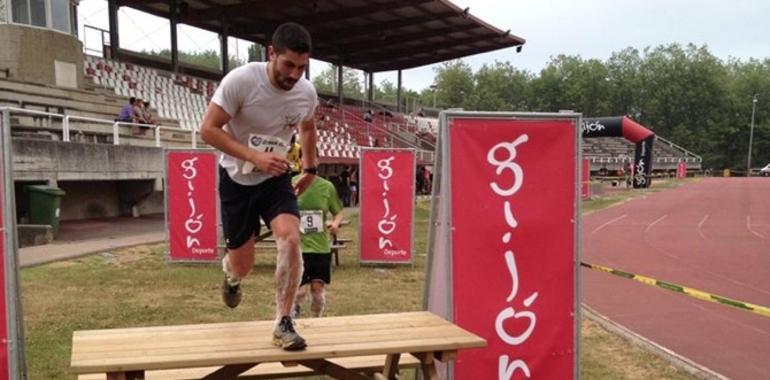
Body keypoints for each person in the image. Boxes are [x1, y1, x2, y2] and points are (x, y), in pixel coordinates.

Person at [199, 22, 318, 351]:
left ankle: (284, 321)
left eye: (301, 67)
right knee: (244, 265)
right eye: (288, 65)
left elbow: (308, 128)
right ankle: (231, 276)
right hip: (236, 179)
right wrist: (253, 156)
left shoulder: (306, 92)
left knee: (290, 237)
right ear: (271, 54)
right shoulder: (241, 81)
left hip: (275, 177)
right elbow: (208, 129)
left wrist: (310, 167)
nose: (294, 74)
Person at [291, 171, 343, 318]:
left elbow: (338, 212)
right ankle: (293, 317)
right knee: (299, 291)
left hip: (320, 247)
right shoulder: (292, 183)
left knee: (317, 290)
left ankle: (317, 319)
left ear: (317, 161)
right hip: (298, 247)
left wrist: (335, 224)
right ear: (301, 160)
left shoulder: (327, 187)